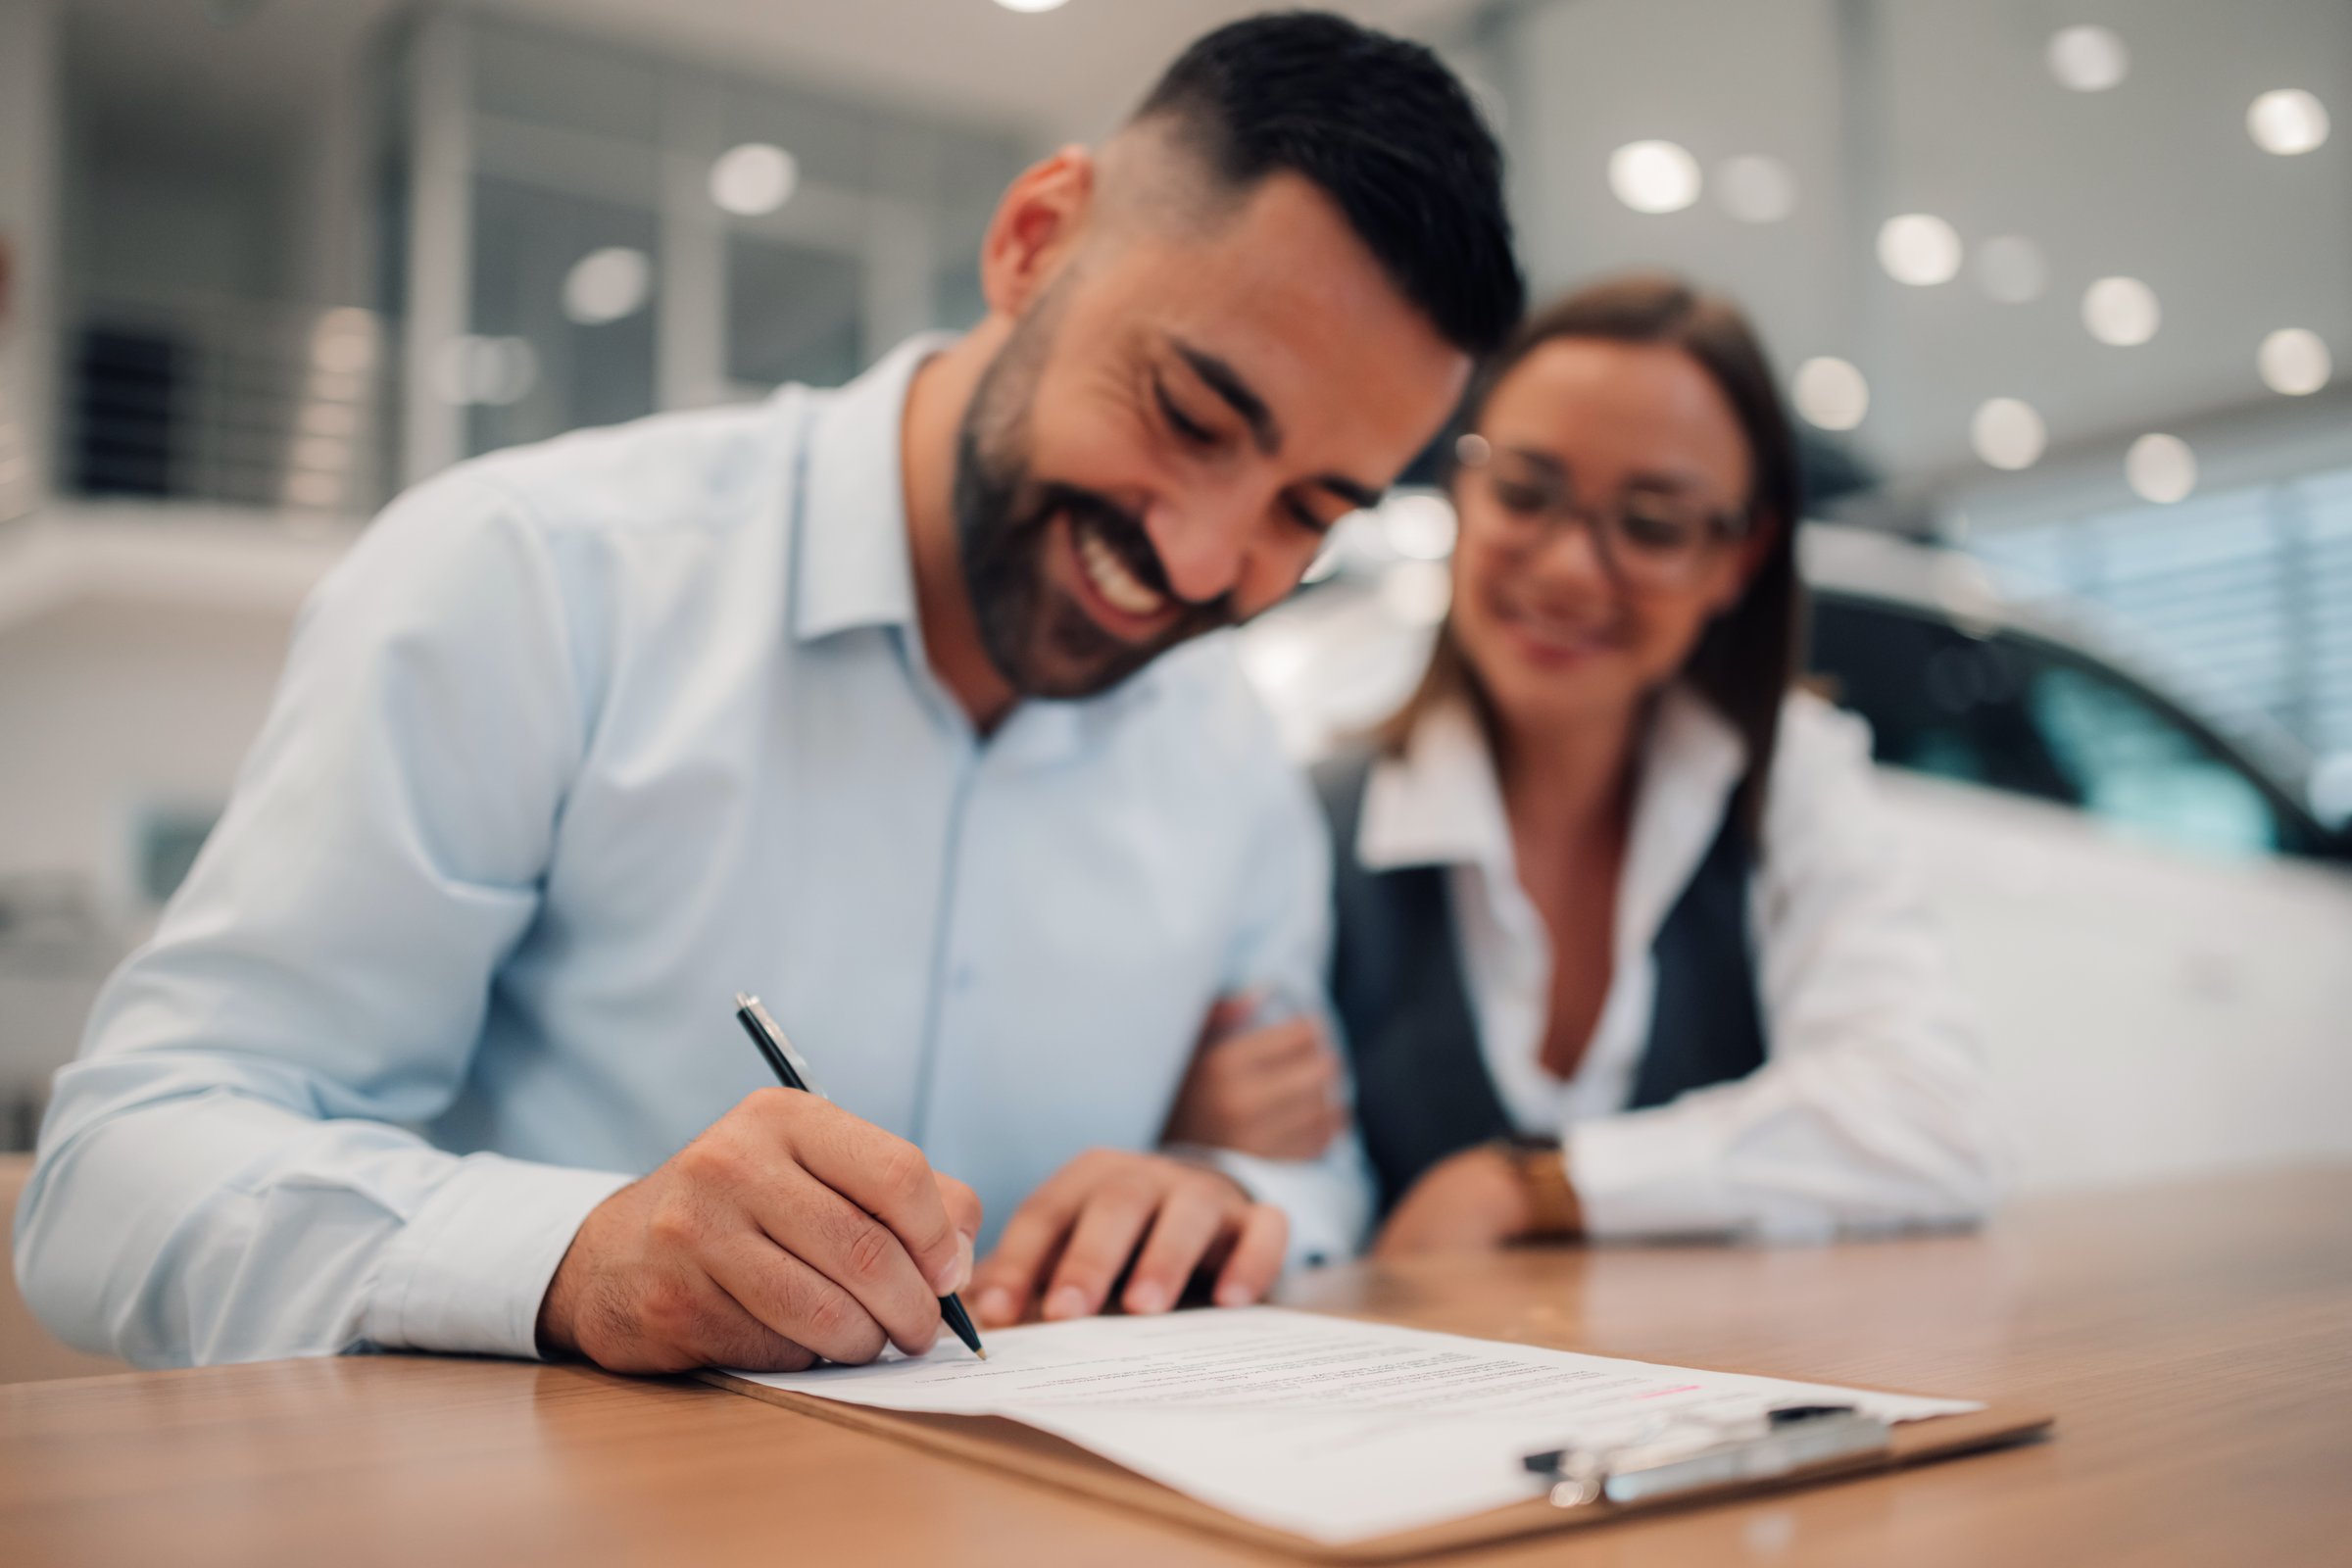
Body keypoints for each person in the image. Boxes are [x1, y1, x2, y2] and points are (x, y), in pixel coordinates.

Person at [12, 13, 1523, 1371]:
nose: (1203, 560)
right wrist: (575, 1256)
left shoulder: (1230, 748)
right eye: (1188, 414)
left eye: (1309, 513)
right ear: (1036, 239)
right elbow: (120, 1170)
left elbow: (1318, 1177)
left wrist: (1221, 1193)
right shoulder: (535, 580)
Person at [1164, 274, 2003, 1252]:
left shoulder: (1787, 779)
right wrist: (1205, 1149)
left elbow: (1936, 1116)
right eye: (1525, 492)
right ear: (1462, 494)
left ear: (1737, 557)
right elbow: (1289, 1185)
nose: (1567, 567)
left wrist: (1535, 1186)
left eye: (1650, 524)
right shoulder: (1314, 815)